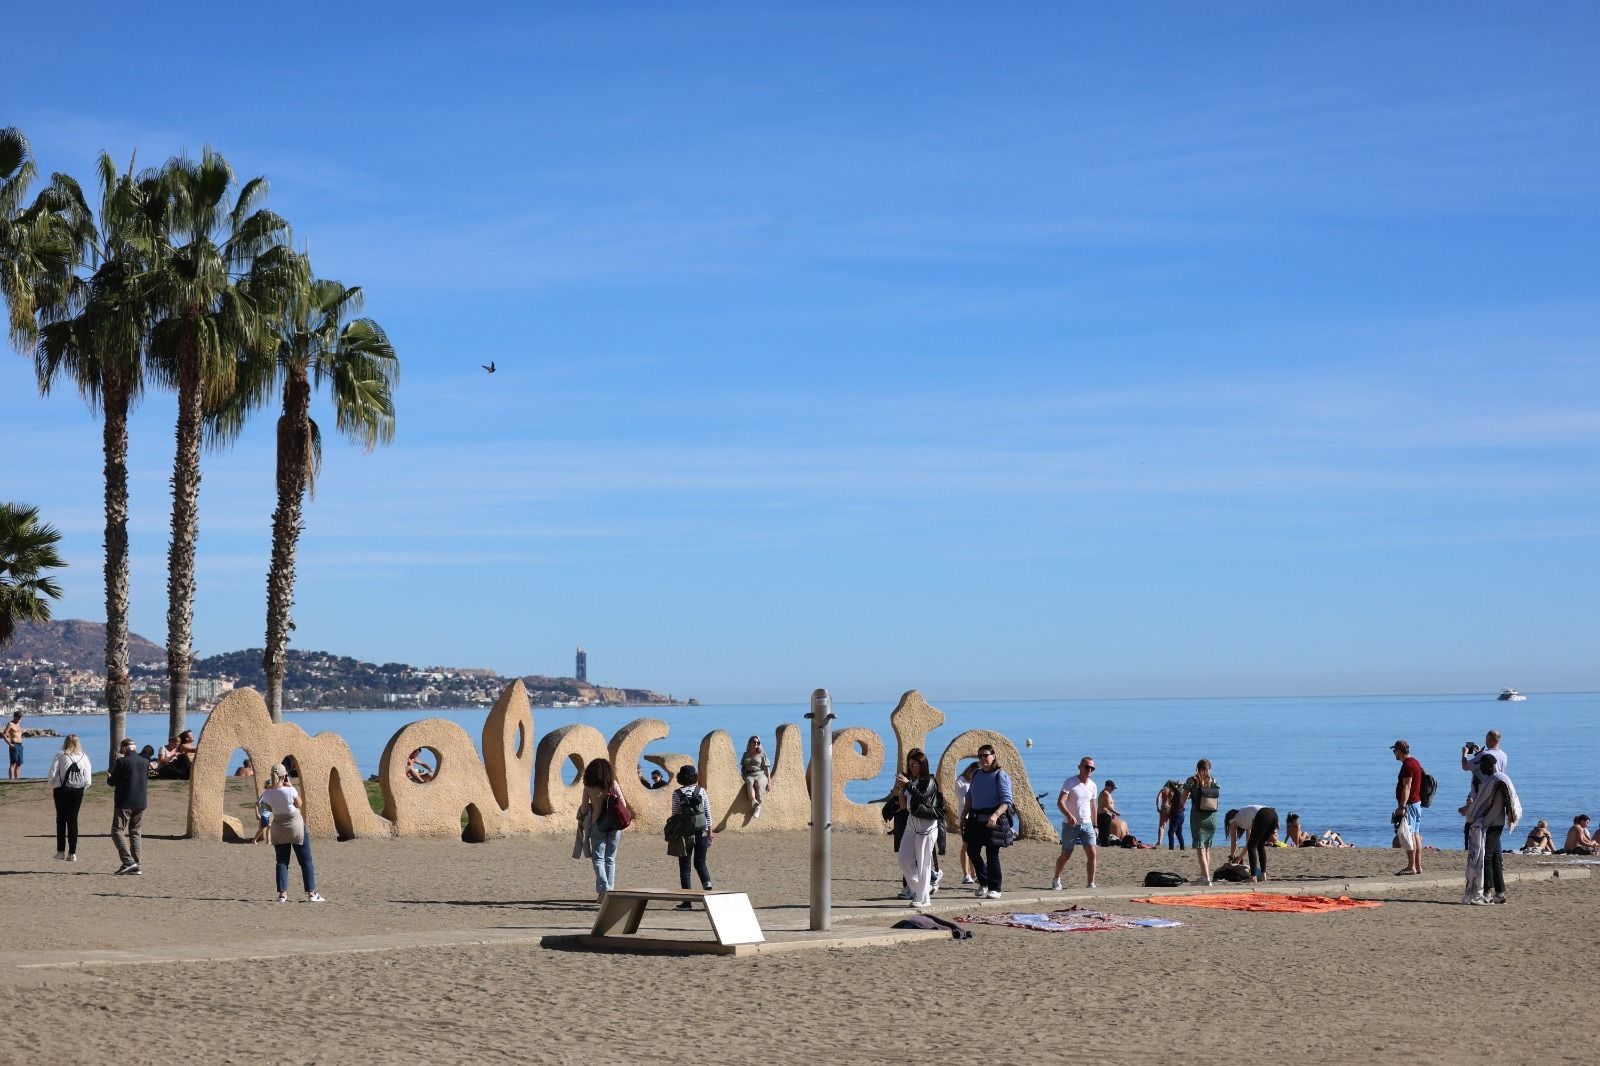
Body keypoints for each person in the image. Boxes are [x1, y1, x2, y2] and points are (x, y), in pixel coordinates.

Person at [258, 763, 325, 903]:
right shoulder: (290, 791)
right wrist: (291, 786)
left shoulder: (266, 794)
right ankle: (311, 893)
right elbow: (299, 804)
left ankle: (282, 894)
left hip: (279, 828)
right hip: (295, 827)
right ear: (284, 776)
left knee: (282, 861)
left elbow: (270, 808)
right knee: (306, 861)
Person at [1461, 751, 1518, 905]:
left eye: (1483, 766)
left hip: (1493, 825)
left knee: (1486, 858)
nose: (1481, 769)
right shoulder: (1491, 781)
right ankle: (1499, 893)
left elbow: (1497, 806)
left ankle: (1486, 892)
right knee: (1495, 859)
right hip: (1492, 824)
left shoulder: (1497, 781)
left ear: (1490, 766)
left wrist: (1484, 822)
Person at [962, 744, 1013, 900]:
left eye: (986, 755)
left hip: (993, 821)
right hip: (975, 820)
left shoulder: (1000, 775)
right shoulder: (976, 774)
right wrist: (964, 815)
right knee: (971, 851)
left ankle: (995, 888)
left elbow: (1006, 801)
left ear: (993, 756)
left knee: (992, 854)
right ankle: (984, 882)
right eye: (980, 756)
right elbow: (970, 796)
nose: (984, 758)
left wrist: (995, 815)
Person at [894, 749, 943, 907]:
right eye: (910, 765)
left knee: (923, 862)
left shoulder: (929, 781)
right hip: (911, 822)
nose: (912, 768)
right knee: (903, 858)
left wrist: (908, 784)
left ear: (922, 765)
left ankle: (924, 899)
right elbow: (903, 806)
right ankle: (923, 888)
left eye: (914, 765)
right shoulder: (912, 782)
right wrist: (902, 788)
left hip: (926, 825)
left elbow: (922, 796)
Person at [577, 757, 626, 898]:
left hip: (596, 824)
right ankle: (608, 890)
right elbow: (623, 804)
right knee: (610, 858)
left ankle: (604, 890)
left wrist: (590, 808)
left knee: (598, 859)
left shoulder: (589, 787)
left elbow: (584, 809)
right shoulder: (613, 784)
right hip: (614, 825)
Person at [1052, 756, 1099, 890]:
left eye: (1092, 768)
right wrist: (1069, 815)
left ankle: (1091, 883)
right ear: (1079, 767)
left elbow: (1093, 806)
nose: (1089, 770)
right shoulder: (1070, 782)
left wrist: (1095, 825)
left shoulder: (1093, 785)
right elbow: (1060, 801)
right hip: (1070, 825)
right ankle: (1056, 878)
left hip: (1087, 824)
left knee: (1092, 853)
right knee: (1066, 854)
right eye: (1086, 767)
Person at [670, 764, 713, 908]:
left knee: (685, 868)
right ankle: (707, 884)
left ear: (680, 778)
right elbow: (707, 813)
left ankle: (687, 901)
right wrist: (710, 833)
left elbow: (675, 815)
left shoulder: (677, 793)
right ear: (695, 776)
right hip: (702, 832)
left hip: (685, 834)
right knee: (700, 862)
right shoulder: (701, 791)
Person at [108, 737, 149, 875]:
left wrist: (110, 776)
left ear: (125, 748)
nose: (121, 752)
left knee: (117, 830)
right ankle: (136, 864)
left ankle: (128, 861)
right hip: (141, 802)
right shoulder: (144, 761)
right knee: (135, 832)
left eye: (121, 749)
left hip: (125, 802)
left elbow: (112, 782)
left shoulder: (122, 761)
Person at [47, 734, 91, 862]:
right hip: (78, 791)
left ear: (66, 742)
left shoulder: (60, 754)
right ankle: (72, 853)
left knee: (61, 820)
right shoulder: (84, 756)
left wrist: (52, 784)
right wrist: (82, 788)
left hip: (61, 789)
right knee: (73, 821)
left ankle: (60, 851)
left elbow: (52, 773)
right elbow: (87, 778)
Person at [1182, 758, 1220, 885]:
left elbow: (1182, 800)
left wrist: (1184, 802)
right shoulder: (1213, 781)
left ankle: (1206, 878)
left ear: (1197, 768)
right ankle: (1204, 875)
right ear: (1209, 768)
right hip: (1212, 816)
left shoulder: (1192, 780)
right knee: (1207, 847)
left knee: (1200, 847)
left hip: (1198, 816)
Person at [1391, 739, 1425, 876]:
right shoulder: (1415, 762)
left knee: (1409, 835)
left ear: (1399, 751)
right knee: (1415, 834)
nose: (1394, 753)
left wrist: (1402, 806)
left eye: (1395, 751)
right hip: (1417, 803)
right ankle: (1417, 866)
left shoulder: (1408, 765)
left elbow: (1407, 786)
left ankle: (1412, 866)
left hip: (1410, 804)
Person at [1225, 805, 1279, 882]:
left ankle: (1253, 877)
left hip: (1262, 815)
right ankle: (1263, 876)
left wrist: (1232, 856)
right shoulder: (1245, 816)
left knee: (1252, 846)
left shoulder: (1233, 820)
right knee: (1260, 845)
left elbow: (1234, 842)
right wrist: (1239, 858)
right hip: (1274, 815)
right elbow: (1249, 843)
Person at [955, 763, 979, 884]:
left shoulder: (977, 782)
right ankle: (966, 874)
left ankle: (975, 873)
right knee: (966, 845)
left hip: (976, 817)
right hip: (966, 817)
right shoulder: (961, 781)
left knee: (974, 846)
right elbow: (963, 798)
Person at [740, 736, 773, 818]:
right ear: (750, 742)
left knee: (757, 784)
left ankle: (758, 806)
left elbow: (767, 767)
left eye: (758, 742)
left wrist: (769, 782)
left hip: (760, 774)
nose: (756, 744)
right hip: (749, 775)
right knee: (749, 782)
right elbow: (743, 766)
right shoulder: (745, 754)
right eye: (754, 742)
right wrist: (743, 775)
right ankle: (755, 803)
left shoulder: (762, 754)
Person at [1095, 779, 1120, 846]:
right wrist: (1115, 812)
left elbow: (1109, 805)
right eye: (1112, 788)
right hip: (1103, 815)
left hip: (1106, 815)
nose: (1113, 790)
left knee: (1106, 832)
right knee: (1105, 833)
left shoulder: (1107, 793)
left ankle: (1105, 844)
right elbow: (1108, 805)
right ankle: (1105, 845)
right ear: (1108, 786)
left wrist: (1112, 813)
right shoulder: (1105, 793)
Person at [3, 711, 24, 779]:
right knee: (13, 763)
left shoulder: (18, 723)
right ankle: (10, 780)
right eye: (18, 717)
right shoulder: (10, 724)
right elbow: (4, 734)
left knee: (19, 763)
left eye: (20, 718)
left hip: (20, 745)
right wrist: (9, 744)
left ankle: (17, 780)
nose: (19, 719)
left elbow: (19, 734)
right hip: (13, 745)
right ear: (15, 716)